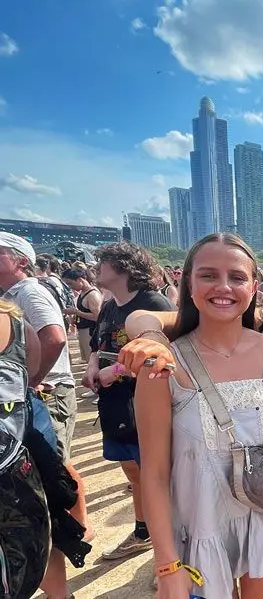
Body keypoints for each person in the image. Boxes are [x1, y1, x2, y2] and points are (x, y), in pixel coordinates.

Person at [121, 245, 263, 599]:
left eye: (237, 277)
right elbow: (155, 473)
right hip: (199, 521)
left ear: (254, 287)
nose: (223, 286)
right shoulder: (162, 364)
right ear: (187, 284)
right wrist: (166, 565)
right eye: (208, 275)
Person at [0, 232, 82, 599]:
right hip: (22, 409)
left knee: (51, 482)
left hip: (39, 401)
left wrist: (30, 381)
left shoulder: (29, 294)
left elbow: (54, 336)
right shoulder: (11, 300)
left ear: (18, 260)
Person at [82, 241, 174, 561]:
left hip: (147, 403)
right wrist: (94, 366)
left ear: (123, 267)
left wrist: (117, 370)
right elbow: (97, 344)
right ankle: (143, 530)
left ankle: (168, 547)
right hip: (116, 402)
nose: (96, 267)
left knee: (158, 475)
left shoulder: (153, 303)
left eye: (103, 262)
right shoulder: (109, 305)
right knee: (132, 470)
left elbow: (170, 353)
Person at [61, 267, 102, 365]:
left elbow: (97, 316)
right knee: (88, 359)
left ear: (80, 279)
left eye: (70, 283)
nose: (70, 287)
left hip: (90, 331)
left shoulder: (92, 295)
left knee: (92, 360)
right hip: (83, 330)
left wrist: (76, 312)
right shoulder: (83, 293)